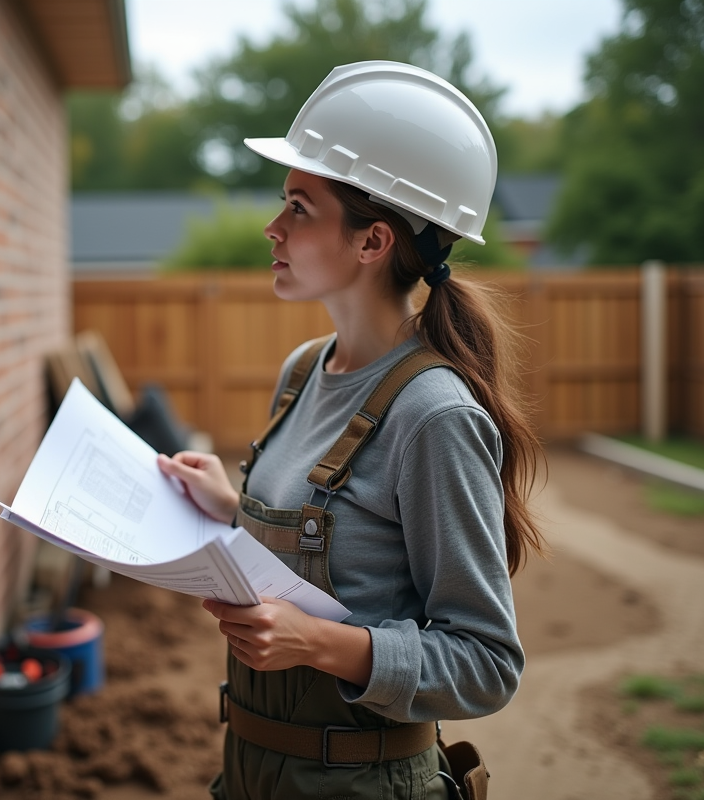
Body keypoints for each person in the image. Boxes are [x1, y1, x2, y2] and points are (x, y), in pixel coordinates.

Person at [156, 61, 546, 800]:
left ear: (372, 243)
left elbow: (488, 664)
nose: (273, 228)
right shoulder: (304, 371)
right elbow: (341, 550)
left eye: (299, 207)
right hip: (253, 772)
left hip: (360, 783)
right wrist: (229, 507)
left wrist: (320, 645)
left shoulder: (434, 415)